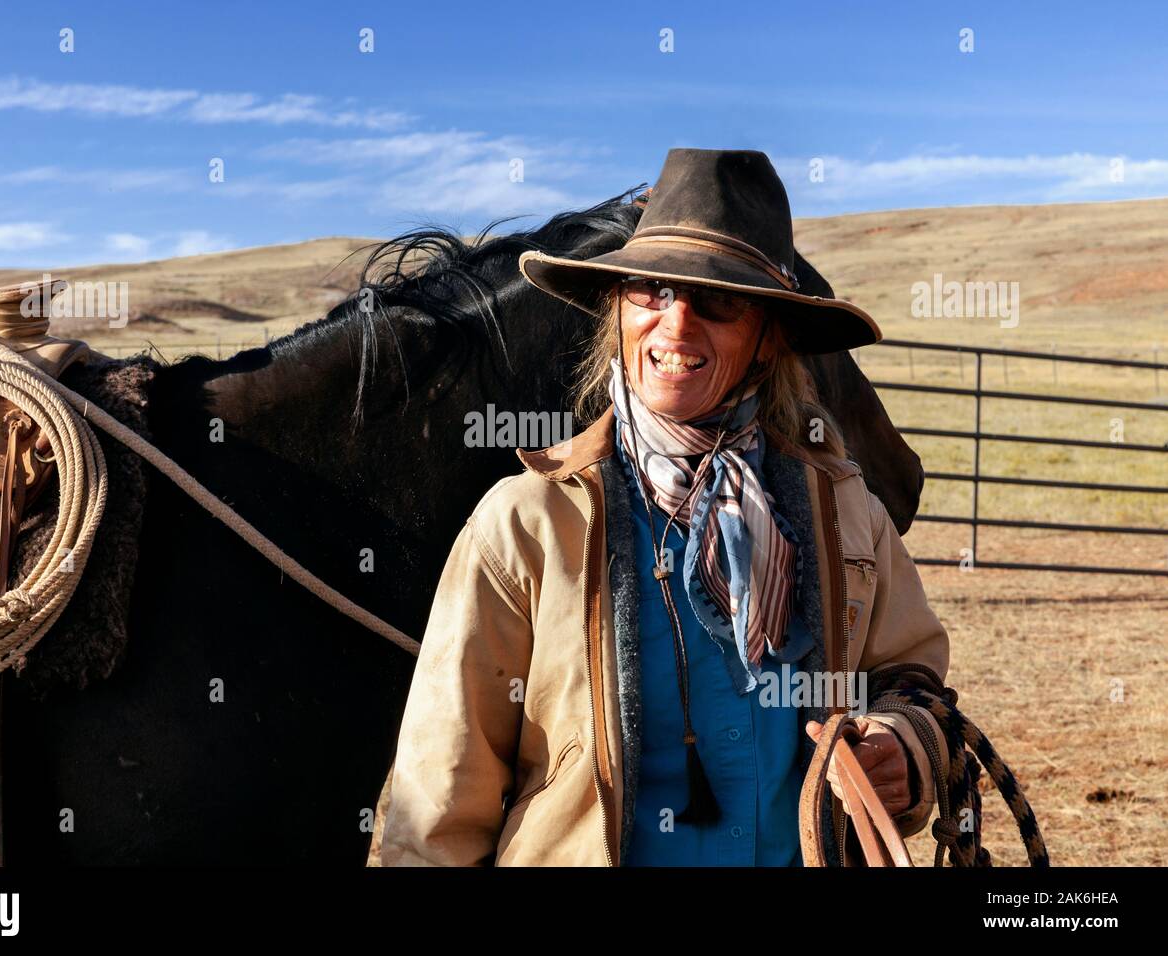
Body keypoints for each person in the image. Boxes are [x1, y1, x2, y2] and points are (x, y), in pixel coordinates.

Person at [367, 148, 950, 866]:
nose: (675, 326)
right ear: (617, 311)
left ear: (767, 341)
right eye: (650, 291)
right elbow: (436, 805)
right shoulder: (526, 525)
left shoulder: (845, 512)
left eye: (720, 301)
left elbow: (910, 679)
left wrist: (904, 745)